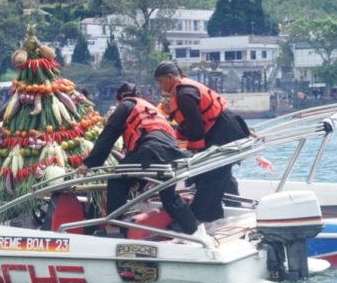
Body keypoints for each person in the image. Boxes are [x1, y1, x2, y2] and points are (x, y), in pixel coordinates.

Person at [76, 83, 204, 240]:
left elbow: (108, 136)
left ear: (121, 98)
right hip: (172, 152)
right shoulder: (150, 108)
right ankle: (195, 232)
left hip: (150, 149)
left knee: (117, 180)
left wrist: (89, 163)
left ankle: (113, 229)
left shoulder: (126, 105)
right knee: (169, 197)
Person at [154, 62, 250, 222]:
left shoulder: (184, 94)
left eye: (161, 81)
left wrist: (195, 150)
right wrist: (177, 138)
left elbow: (195, 123)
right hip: (222, 128)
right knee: (211, 173)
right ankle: (214, 215)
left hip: (224, 130)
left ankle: (199, 217)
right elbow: (190, 124)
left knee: (210, 173)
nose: (160, 86)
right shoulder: (184, 91)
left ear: (170, 78)